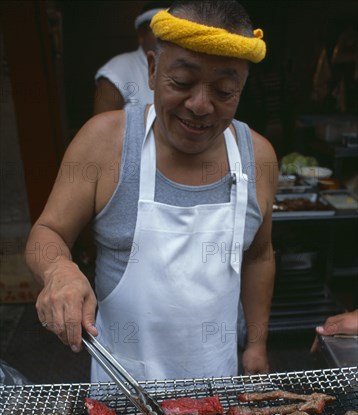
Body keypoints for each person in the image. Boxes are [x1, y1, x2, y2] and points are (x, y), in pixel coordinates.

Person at [26, 0, 278, 381]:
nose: (200, 105)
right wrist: (59, 269)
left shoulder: (258, 157)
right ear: (152, 69)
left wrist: (257, 344)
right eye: (181, 83)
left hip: (217, 382)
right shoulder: (104, 142)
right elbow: (47, 233)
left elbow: (259, 256)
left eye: (225, 91)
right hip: (125, 390)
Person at [93, 1, 172, 114]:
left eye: (172, 31)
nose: (167, 35)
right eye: (160, 29)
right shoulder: (116, 71)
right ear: (141, 35)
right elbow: (101, 128)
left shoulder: (184, 66)